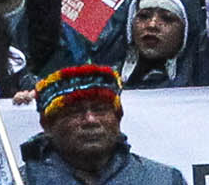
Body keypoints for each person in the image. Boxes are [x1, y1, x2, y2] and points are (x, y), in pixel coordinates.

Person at [19, 66, 183, 185]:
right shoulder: (19, 180)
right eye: (75, 112)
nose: (90, 120)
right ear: (48, 126)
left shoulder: (164, 179)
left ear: (118, 119)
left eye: (100, 110)